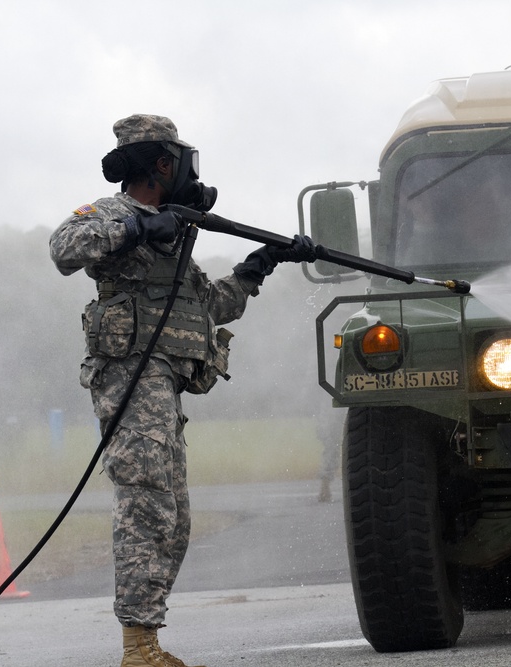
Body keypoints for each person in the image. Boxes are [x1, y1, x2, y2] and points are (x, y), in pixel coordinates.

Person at [49, 114, 316, 667]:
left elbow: (208, 305)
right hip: (129, 376)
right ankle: (137, 647)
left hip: (162, 383)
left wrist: (259, 266)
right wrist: (142, 227)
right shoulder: (115, 214)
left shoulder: (176, 236)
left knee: (175, 515)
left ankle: (147, 639)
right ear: (163, 164)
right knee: (147, 503)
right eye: (183, 162)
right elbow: (64, 247)